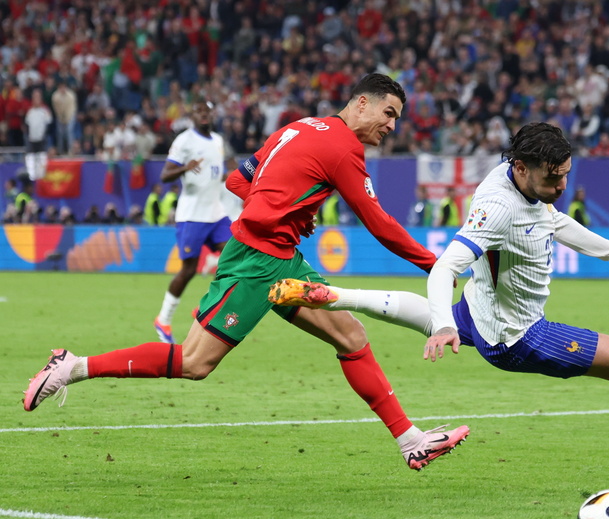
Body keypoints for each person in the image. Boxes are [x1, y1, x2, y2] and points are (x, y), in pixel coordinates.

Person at [23, 74, 469, 472]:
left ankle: (411, 442)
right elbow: (379, 223)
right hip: (256, 262)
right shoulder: (343, 148)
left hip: (281, 257)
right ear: (361, 104)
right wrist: (439, 265)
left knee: (351, 337)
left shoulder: (298, 126)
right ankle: (73, 367)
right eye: (388, 114)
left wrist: (284, 203)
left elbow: (239, 181)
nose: (392, 126)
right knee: (195, 363)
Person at [271, 123, 609, 498]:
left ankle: (330, 294)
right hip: (517, 335)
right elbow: (445, 267)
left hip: (480, 313)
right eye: (553, 178)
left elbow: (554, 220)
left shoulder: (524, 184)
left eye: (564, 175)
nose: (561, 186)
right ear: (521, 168)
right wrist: (445, 326)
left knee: (422, 313)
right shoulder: (498, 209)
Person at [154, 100, 233, 344]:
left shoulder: (218, 141)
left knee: (235, 256)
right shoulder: (184, 141)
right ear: (192, 115)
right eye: (199, 111)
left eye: (207, 111)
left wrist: (230, 177)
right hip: (192, 215)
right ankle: (163, 320)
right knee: (188, 270)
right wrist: (185, 168)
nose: (204, 115)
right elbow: (165, 175)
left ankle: (204, 307)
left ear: (213, 113)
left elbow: (214, 174)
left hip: (216, 212)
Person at [24, 89, 52, 182]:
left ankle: (42, 177)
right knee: (31, 158)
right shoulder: (30, 112)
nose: (36, 100)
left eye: (38, 97)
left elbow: (49, 123)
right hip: (32, 139)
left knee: (42, 158)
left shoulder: (44, 111)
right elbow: (27, 124)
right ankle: (32, 177)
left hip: (42, 139)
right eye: (34, 97)